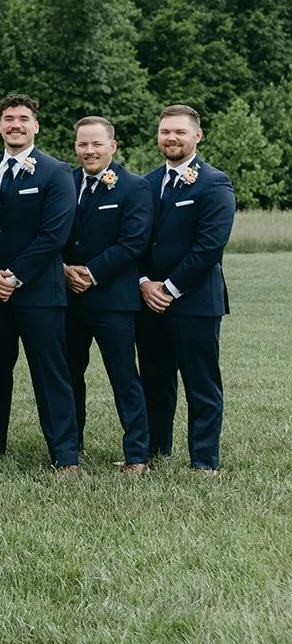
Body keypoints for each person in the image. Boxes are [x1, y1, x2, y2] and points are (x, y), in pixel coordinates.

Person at [0, 93, 79, 470]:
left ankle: (64, 455)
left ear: (35, 125)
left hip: (39, 293)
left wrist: (14, 277)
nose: (14, 124)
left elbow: (54, 234)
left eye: (22, 118)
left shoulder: (56, 172)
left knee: (50, 376)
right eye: (8, 118)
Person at [137, 105, 235, 474]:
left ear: (197, 135)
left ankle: (204, 460)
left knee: (201, 384)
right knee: (155, 381)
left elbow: (210, 245)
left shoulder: (214, 182)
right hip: (148, 301)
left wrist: (171, 288)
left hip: (195, 302)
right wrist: (145, 282)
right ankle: (154, 451)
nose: (171, 138)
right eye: (165, 132)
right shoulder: (145, 183)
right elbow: (136, 241)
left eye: (179, 132)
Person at [62, 115, 153, 472]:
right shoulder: (65, 181)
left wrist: (93, 272)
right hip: (68, 297)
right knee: (68, 375)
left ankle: (137, 454)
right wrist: (64, 270)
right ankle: (70, 446)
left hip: (113, 299)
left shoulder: (134, 186)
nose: (89, 150)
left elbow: (134, 241)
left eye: (97, 143)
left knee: (123, 377)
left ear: (112, 146)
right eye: (83, 144)